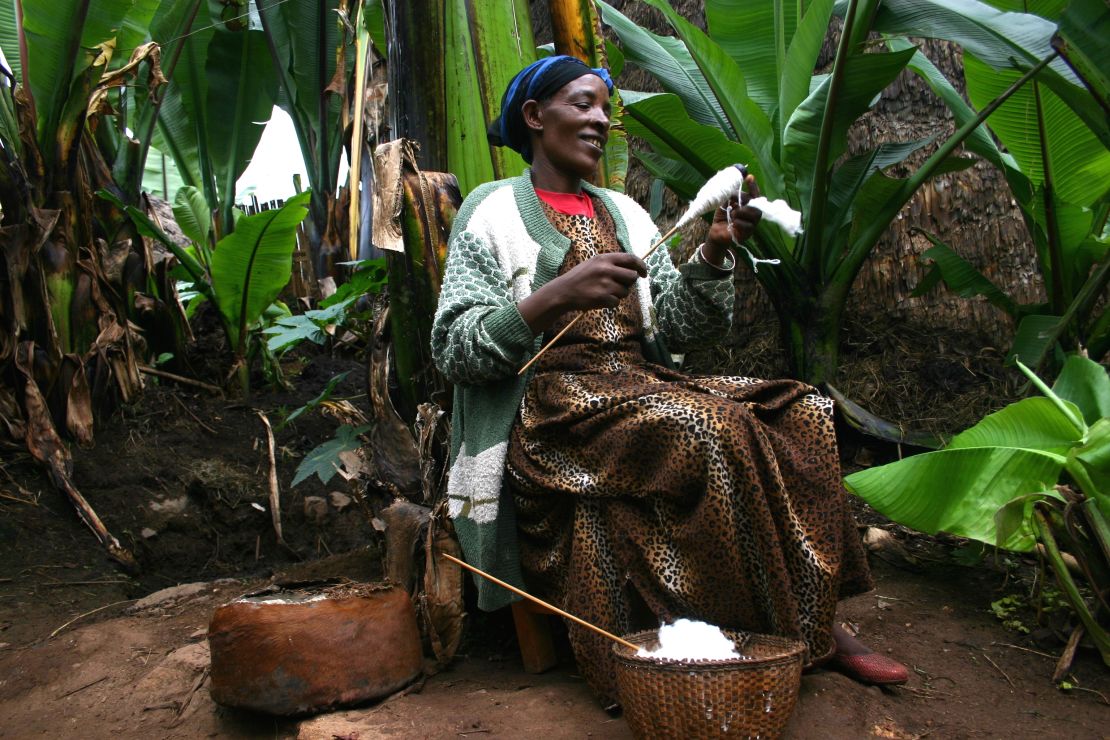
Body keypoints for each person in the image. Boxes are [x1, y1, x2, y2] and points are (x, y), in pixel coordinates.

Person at [430, 55, 908, 704]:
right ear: (536, 117)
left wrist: (713, 249)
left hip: (634, 387)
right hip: (552, 414)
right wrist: (552, 297)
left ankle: (815, 615)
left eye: (606, 107)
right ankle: (785, 629)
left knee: (804, 409)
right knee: (709, 429)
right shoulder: (491, 212)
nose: (600, 119)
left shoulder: (625, 213)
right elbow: (454, 349)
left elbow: (678, 329)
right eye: (582, 103)